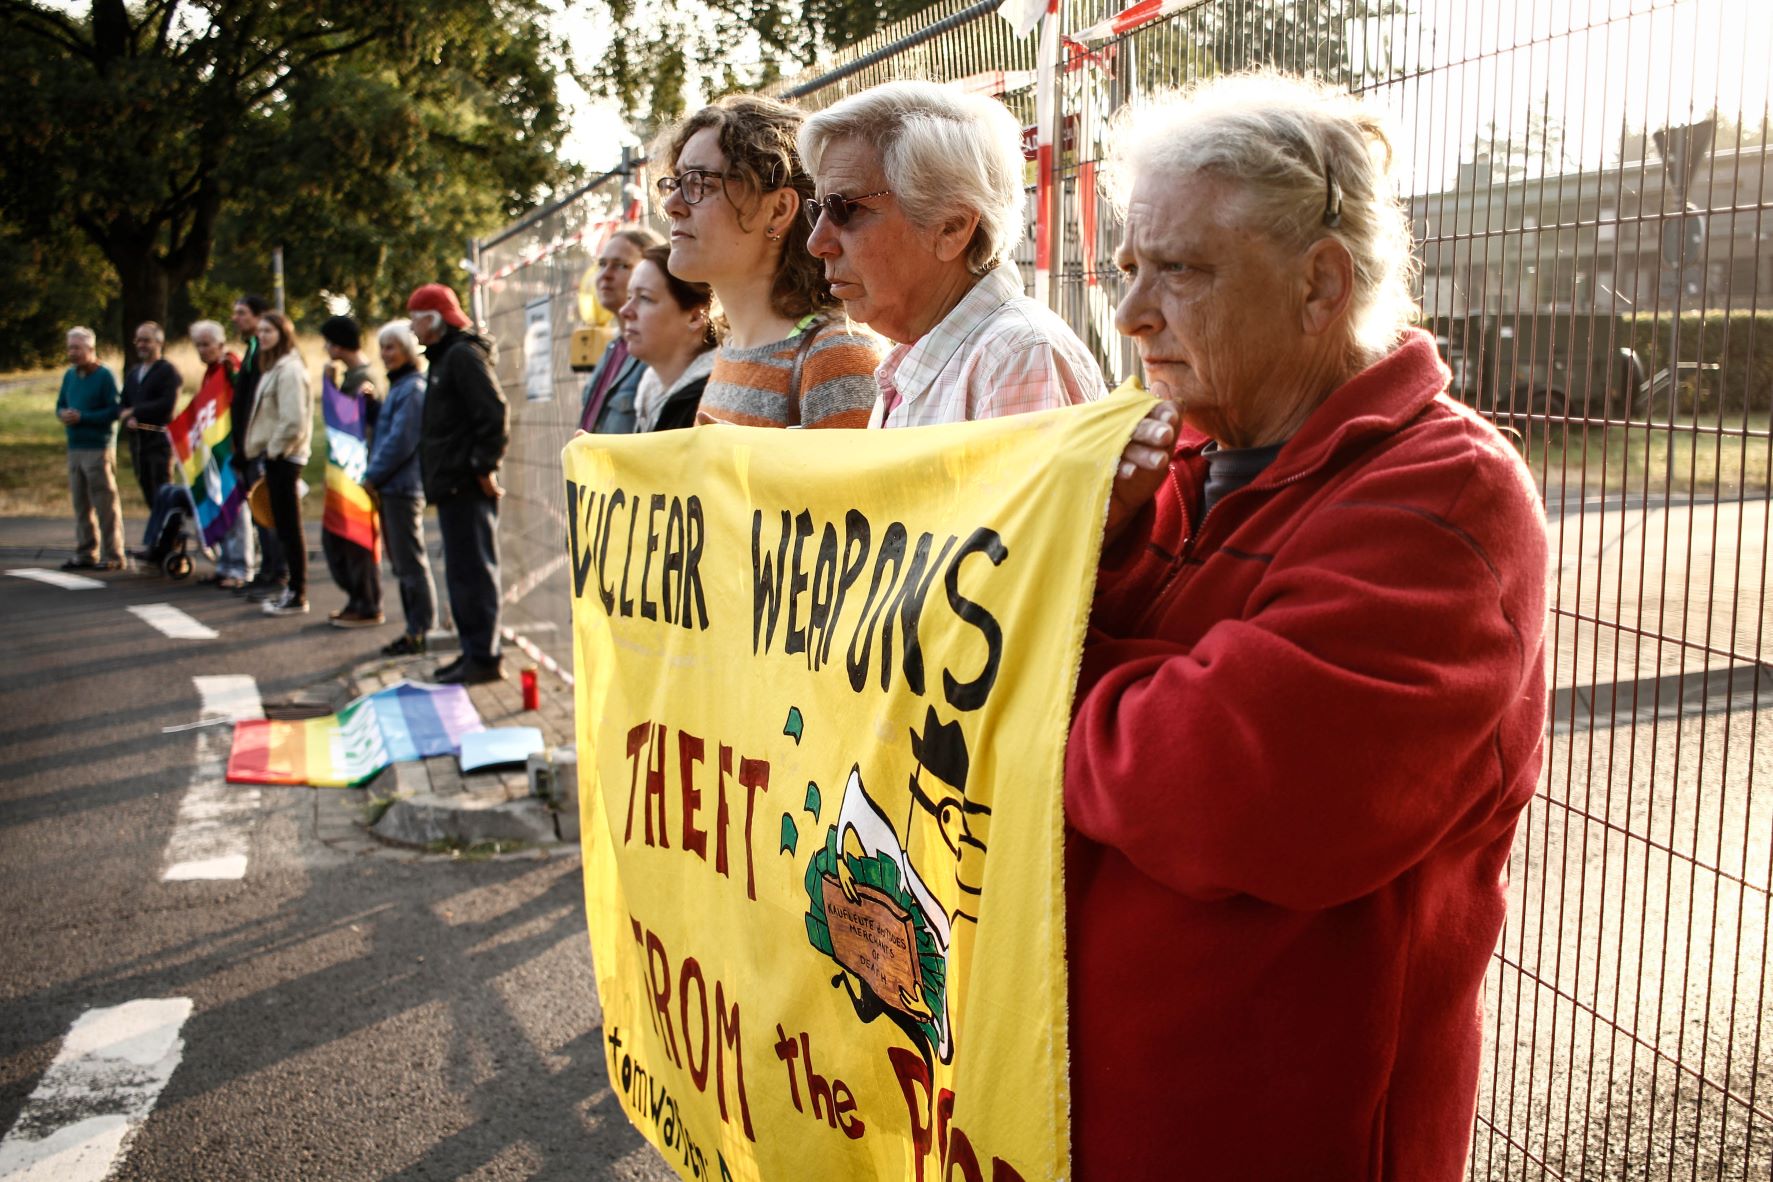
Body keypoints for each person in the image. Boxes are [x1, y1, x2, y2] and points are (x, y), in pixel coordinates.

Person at [1065, 73, 1549, 1180]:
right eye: (1127, 270)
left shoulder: (1444, 495)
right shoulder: (1163, 463)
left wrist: (1021, 677)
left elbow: (1221, 789)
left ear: (1319, 284)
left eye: (1178, 270)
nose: (1132, 315)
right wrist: (1098, 569)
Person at [800, 81, 1106, 426]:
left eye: (843, 209)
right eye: (817, 210)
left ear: (952, 227)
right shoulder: (922, 357)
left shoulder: (1015, 357)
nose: (817, 242)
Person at [657, 93, 880, 429]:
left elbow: (854, 484)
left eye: (699, 182)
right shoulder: (731, 351)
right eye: (674, 182)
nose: (672, 204)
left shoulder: (836, 359)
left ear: (778, 210)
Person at [407, 282, 509, 685]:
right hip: (452, 486)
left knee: (474, 574)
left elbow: (493, 411)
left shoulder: (462, 357)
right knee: (462, 574)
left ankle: (483, 656)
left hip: (465, 486)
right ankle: (473, 651)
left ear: (433, 320)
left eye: (415, 319)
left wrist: (481, 466)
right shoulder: (444, 358)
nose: (412, 329)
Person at [363, 319, 437, 657]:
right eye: (382, 348)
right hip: (392, 486)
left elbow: (401, 440)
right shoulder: (399, 387)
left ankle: (421, 631)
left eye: (391, 347)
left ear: (408, 349)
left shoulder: (413, 388)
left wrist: (373, 475)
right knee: (402, 563)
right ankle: (413, 628)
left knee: (410, 563)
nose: (385, 354)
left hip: (403, 487)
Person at [242, 311, 312, 617]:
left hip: (284, 457)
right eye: (260, 331)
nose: (263, 336)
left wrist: (274, 450)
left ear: (283, 334)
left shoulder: (290, 369)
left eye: (269, 330)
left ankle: (298, 592)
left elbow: (293, 420)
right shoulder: (272, 368)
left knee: (289, 526)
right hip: (273, 456)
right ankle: (293, 589)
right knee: (281, 525)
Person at [318, 315, 384, 628]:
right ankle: (358, 600)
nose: (325, 347)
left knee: (355, 539)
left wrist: (330, 386)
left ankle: (366, 603)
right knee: (341, 538)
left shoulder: (363, 378)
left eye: (328, 341)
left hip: (358, 471)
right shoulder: (355, 375)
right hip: (348, 471)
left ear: (339, 343)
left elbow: (355, 421)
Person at [579, 226, 666, 433]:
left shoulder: (658, 355)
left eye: (620, 265)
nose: (605, 275)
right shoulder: (613, 348)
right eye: (602, 264)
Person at [622, 245, 717, 432]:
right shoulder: (648, 393)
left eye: (645, 298)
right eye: (629, 297)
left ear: (696, 316)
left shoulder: (710, 403)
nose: (625, 311)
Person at [55, 326, 126, 572]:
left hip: (98, 447)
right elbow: (60, 404)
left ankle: (113, 554)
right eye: (70, 348)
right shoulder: (70, 375)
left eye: (77, 348)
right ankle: (86, 552)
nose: (72, 353)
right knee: (81, 503)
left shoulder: (105, 375)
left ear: (91, 349)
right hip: (75, 446)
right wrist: (63, 414)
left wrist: (84, 417)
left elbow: (114, 411)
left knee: (104, 503)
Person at [230, 295, 282, 600]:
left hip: (262, 446)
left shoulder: (267, 356)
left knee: (268, 510)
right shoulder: (250, 351)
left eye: (242, 313)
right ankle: (267, 569)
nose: (236, 318)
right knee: (258, 512)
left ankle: (277, 571)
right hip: (248, 444)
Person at [189, 320, 247, 586]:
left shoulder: (229, 367)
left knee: (235, 508)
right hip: (215, 453)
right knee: (220, 505)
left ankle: (240, 567)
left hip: (231, 449)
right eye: (198, 345)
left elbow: (238, 404)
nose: (202, 350)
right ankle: (224, 564)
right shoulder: (210, 372)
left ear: (220, 344)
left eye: (207, 344)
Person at [118, 321, 182, 514]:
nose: (140, 344)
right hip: (138, 443)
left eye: (146, 340)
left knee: (162, 490)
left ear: (159, 343)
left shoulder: (168, 371)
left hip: (159, 441)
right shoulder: (134, 373)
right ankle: (157, 536)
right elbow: (123, 402)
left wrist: (135, 412)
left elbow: (167, 405)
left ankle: (170, 538)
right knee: (147, 490)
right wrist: (124, 415)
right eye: (138, 340)